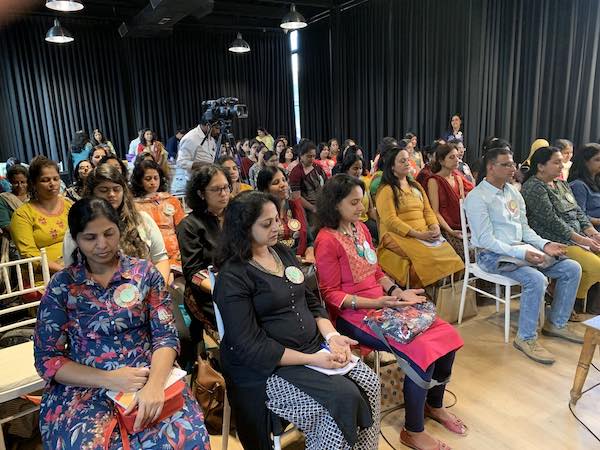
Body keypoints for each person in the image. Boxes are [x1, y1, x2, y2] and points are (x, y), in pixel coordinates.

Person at [33, 197, 210, 449]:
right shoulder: (63, 286)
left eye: (109, 233)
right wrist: (109, 379)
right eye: (90, 238)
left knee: (187, 437)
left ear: (119, 229)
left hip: (148, 373)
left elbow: (165, 336)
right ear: (76, 238)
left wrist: (155, 387)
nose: (102, 245)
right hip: (86, 384)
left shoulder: (144, 273)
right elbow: (47, 359)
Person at [213, 190, 381, 450]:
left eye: (276, 220)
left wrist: (332, 337)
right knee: (340, 399)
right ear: (244, 229)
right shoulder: (232, 277)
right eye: (266, 224)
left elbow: (310, 301)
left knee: (369, 382)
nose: (277, 228)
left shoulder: (281, 252)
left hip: (312, 347)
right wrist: (314, 359)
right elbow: (251, 346)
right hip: (268, 367)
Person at [315, 174, 466, 450]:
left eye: (362, 202)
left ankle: (433, 405)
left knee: (446, 337)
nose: (363, 208)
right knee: (421, 351)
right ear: (335, 204)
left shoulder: (359, 229)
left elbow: (376, 271)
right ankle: (412, 431)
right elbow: (331, 295)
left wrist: (397, 293)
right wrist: (379, 303)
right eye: (355, 203)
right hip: (353, 317)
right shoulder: (327, 240)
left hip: (383, 305)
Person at [464, 146, 583, 364]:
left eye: (512, 163)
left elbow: (525, 229)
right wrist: (523, 251)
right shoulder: (477, 197)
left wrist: (545, 244)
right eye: (506, 164)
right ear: (491, 167)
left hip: (518, 249)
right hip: (491, 255)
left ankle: (556, 323)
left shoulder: (512, 192)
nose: (513, 168)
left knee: (571, 268)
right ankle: (526, 338)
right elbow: (486, 240)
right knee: (536, 278)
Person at [521, 146, 600, 321]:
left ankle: (560, 296)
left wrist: (592, 232)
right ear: (541, 166)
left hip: (576, 237)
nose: (561, 165)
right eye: (556, 162)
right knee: (596, 267)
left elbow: (578, 211)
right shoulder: (534, 187)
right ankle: (562, 300)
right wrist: (583, 240)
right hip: (553, 241)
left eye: (561, 162)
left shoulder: (560, 184)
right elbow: (552, 221)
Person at [62, 164, 170, 282]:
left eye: (116, 189)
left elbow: (160, 259)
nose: (112, 194)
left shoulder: (142, 220)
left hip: (143, 290)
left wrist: (156, 290)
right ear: (91, 193)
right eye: (104, 190)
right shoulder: (78, 227)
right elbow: (71, 269)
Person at [375, 147, 464, 287]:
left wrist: (435, 227)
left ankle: (442, 295)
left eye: (407, 160)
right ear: (392, 167)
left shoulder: (416, 186)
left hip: (424, 232)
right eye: (402, 161)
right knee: (427, 258)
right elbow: (390, 221)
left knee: (452, 257)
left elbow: (428, 211)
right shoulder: (386, 190)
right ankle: (425, 296)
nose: (407, 163)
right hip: (399, 235)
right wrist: (417, 234)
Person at [176, 164, 231, 342]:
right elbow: (193, 272)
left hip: (240, 285)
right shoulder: (190, 225)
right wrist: (221, 288)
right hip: (209, 292)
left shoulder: (236, 216)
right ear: (201, 194)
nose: (223, 193)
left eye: (226, 187)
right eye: (216, 189)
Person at [11, 156, 71, 273]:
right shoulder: (22, 215)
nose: (52, 183)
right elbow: (29, 255)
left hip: (77, 268)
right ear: (33, 183)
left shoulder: (70, 205)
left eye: (56, 179)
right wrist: (64, 271)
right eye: (45, 180)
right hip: (43, 278)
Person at [131, 160, 185, 265]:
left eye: (156, 178)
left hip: (176, 253)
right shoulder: (133, 205)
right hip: (148, 255)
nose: (153, 182)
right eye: (148, 179)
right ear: (139, 181)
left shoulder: (171, 200)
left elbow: (182, 229)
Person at [257, 167, 315, 262]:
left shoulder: (296, 207)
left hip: (303, 261)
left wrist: (310, 255)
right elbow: (262, 250)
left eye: (284, 180)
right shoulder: (261, 215)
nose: (283, 185)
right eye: (276, 182)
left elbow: (309, 241)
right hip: (277, 264)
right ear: (265, 190)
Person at [426, 143, 473, 257]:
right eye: (452, 157)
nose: (457, 160)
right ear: (441, 161)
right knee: (463, 254)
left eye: (457, 156)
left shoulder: (458, 178)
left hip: (461, 224)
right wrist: (451, 231)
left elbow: (462, 206)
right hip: (445, 227)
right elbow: (435, 212)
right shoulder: (434, 181)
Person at [288, 140, 327, 229]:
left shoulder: (317, 167)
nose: (312, 159)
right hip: (308, 211)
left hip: (321, 206)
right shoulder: (296, 172)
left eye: (314, 156)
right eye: (309, 156)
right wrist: (313, 208)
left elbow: (326, 184)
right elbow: (296, 196)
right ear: (301, 155)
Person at [341, 153, 378, 243]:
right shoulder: (341, 186)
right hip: (349, 223)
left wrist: (382, 222)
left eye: (360, 168)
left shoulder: (363, 183)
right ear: (347, 169)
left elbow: (370, 210)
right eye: (355, 168)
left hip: (365, 222)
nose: (358, 171)